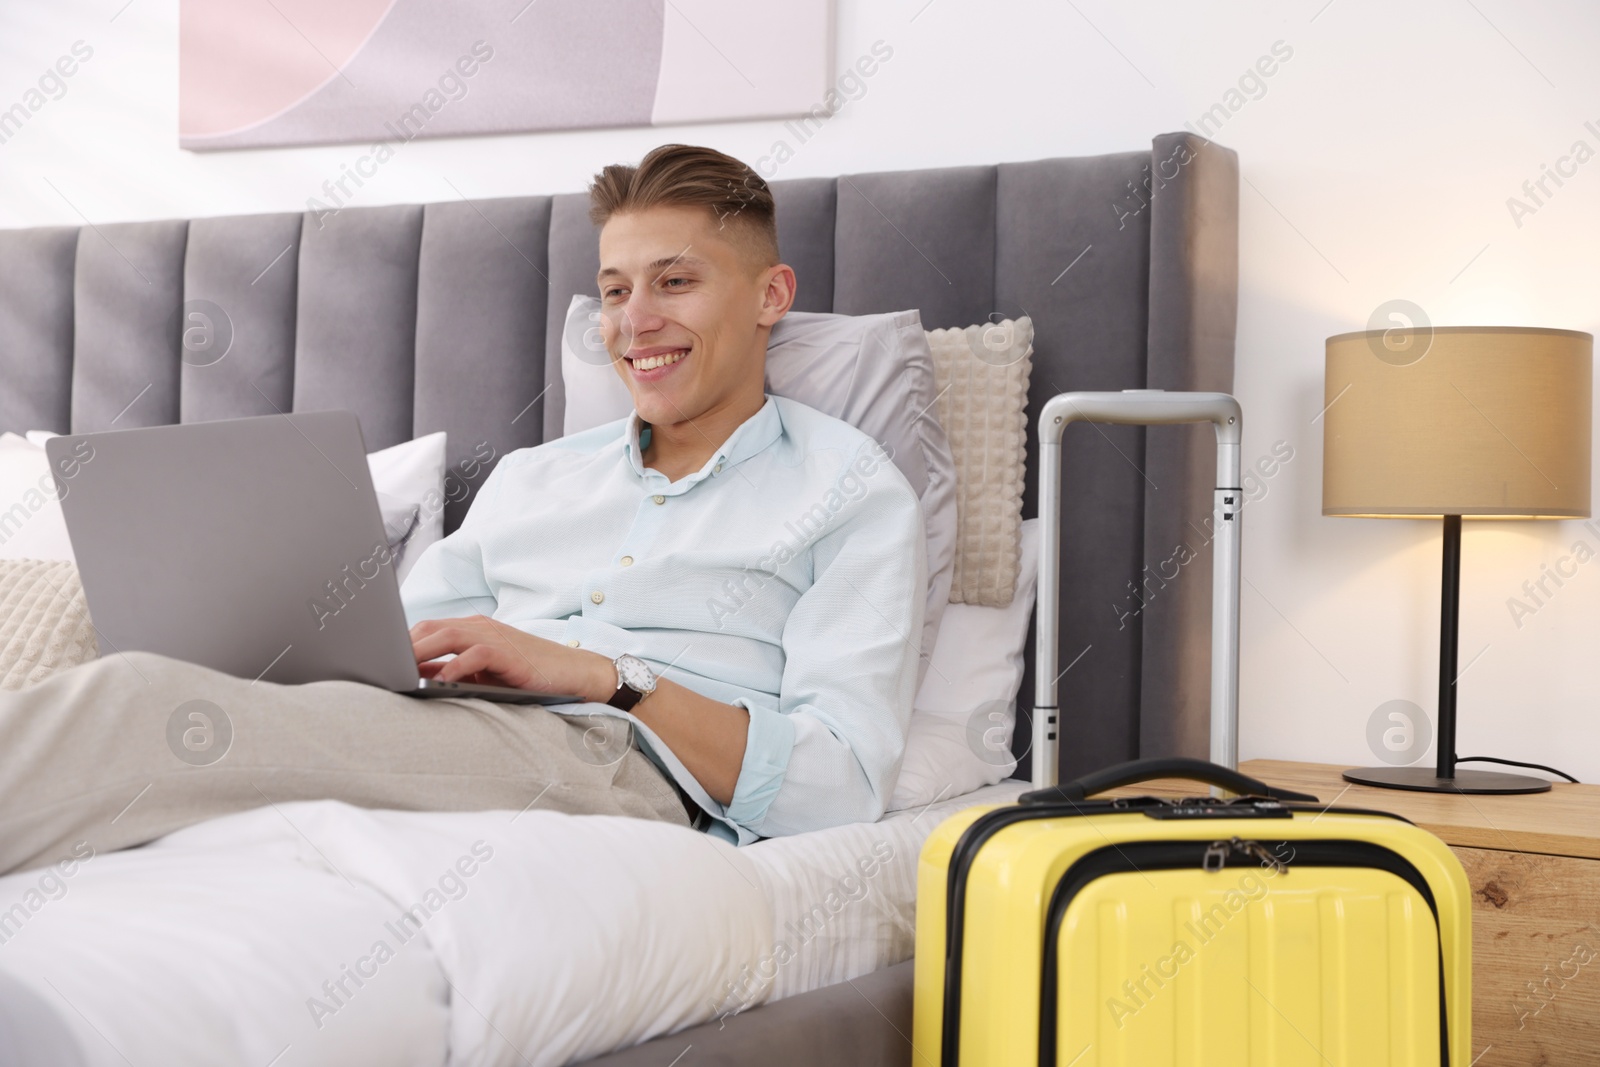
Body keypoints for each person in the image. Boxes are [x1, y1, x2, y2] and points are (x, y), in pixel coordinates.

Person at [0, 144, 925, 875]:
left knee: (136, 705)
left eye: (674, 282)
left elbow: (839, 785)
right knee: (170, 695)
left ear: (773, 295)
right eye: (614, 290)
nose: (632, 321)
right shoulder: (533, 479)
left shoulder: (849, 491)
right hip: (449, 725)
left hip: (619, 762)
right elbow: (396, 646)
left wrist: (602, 673)